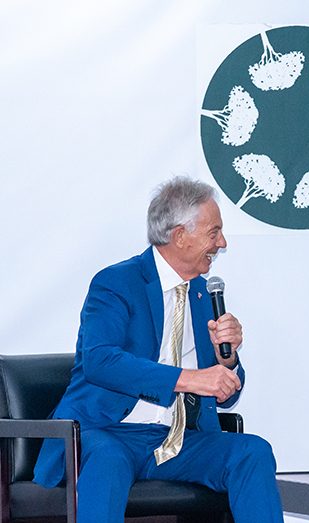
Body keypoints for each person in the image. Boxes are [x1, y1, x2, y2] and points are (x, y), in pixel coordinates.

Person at [34, 177, 283, 522]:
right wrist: (188, 379)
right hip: (107, 432)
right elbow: (100, 361)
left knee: (252, 452)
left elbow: (223, 393)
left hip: (176, 441)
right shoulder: (116, 283)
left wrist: (228, 359)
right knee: (108, 459)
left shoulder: (202, 294)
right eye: (214, 233)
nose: (222, 243)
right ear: (180, 236)